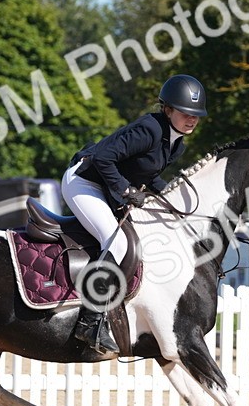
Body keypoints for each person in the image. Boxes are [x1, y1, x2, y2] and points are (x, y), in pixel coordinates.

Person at [60, 73, 206, 353]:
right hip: (83, 183)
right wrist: (126, 191)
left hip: (106, 187)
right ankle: (89, 322)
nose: (192, 119)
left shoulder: (176, 144)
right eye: (186, 112)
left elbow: (148, 176)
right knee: (115, 242)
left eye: (196, 114)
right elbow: (103, 156)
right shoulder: (150, 129)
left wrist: (174, 201)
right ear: (168, 109)